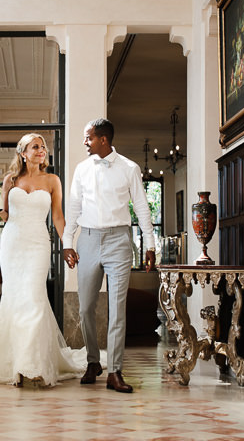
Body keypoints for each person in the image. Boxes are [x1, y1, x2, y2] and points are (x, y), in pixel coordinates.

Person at [0, 133, 88, 387]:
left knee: (35, 298)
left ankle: (33, 365)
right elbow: (5, 214)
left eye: (43, 147)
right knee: (15, 299)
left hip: (37, 243)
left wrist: (67, 244)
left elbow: (58, 217)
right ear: (23, 153)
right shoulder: (10, 180)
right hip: (12, 243)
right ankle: (18, 364)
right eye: (35, 147)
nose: (41, 150)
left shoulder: (52, 180)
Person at [61, 118, 156, 393]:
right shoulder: (81, 170)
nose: (84, 142)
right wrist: (68, 242)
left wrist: (150, 245)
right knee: (86, 307)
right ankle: (93, 362)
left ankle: (115, 371)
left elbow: (141, 207)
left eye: (88, 137)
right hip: (88, 240)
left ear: (103, 139)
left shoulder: (129, 168)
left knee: (117, 310)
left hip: (119, 240)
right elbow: (74, 207)